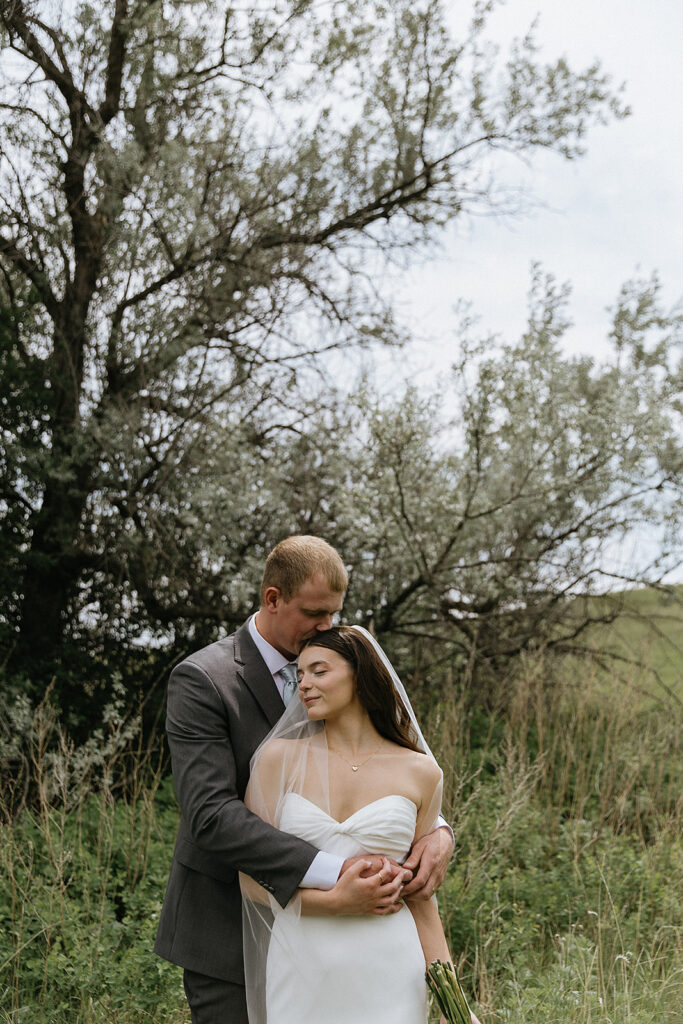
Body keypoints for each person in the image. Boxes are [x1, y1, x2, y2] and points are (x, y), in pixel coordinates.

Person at [155, 536, 454, 1024]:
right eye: (315, 612)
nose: (327, 626)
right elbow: (211, 815)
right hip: (228, 927)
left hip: (367, 952)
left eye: (334, 614)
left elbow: (369, 766)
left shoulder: (336, 673)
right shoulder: (205, 680)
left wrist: (438, 831)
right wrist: (336, 873)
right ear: (272, 599)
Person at [241, 624, 470, 1024]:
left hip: (390, 962)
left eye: (319, 671)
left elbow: (420, 894)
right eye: (300, 675)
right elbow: (249, 877)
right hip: (301, 958)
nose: (304, 685)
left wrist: (456, 1007)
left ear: (360, 674)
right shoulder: (277, 760)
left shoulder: (422, 773)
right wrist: (331, 904)